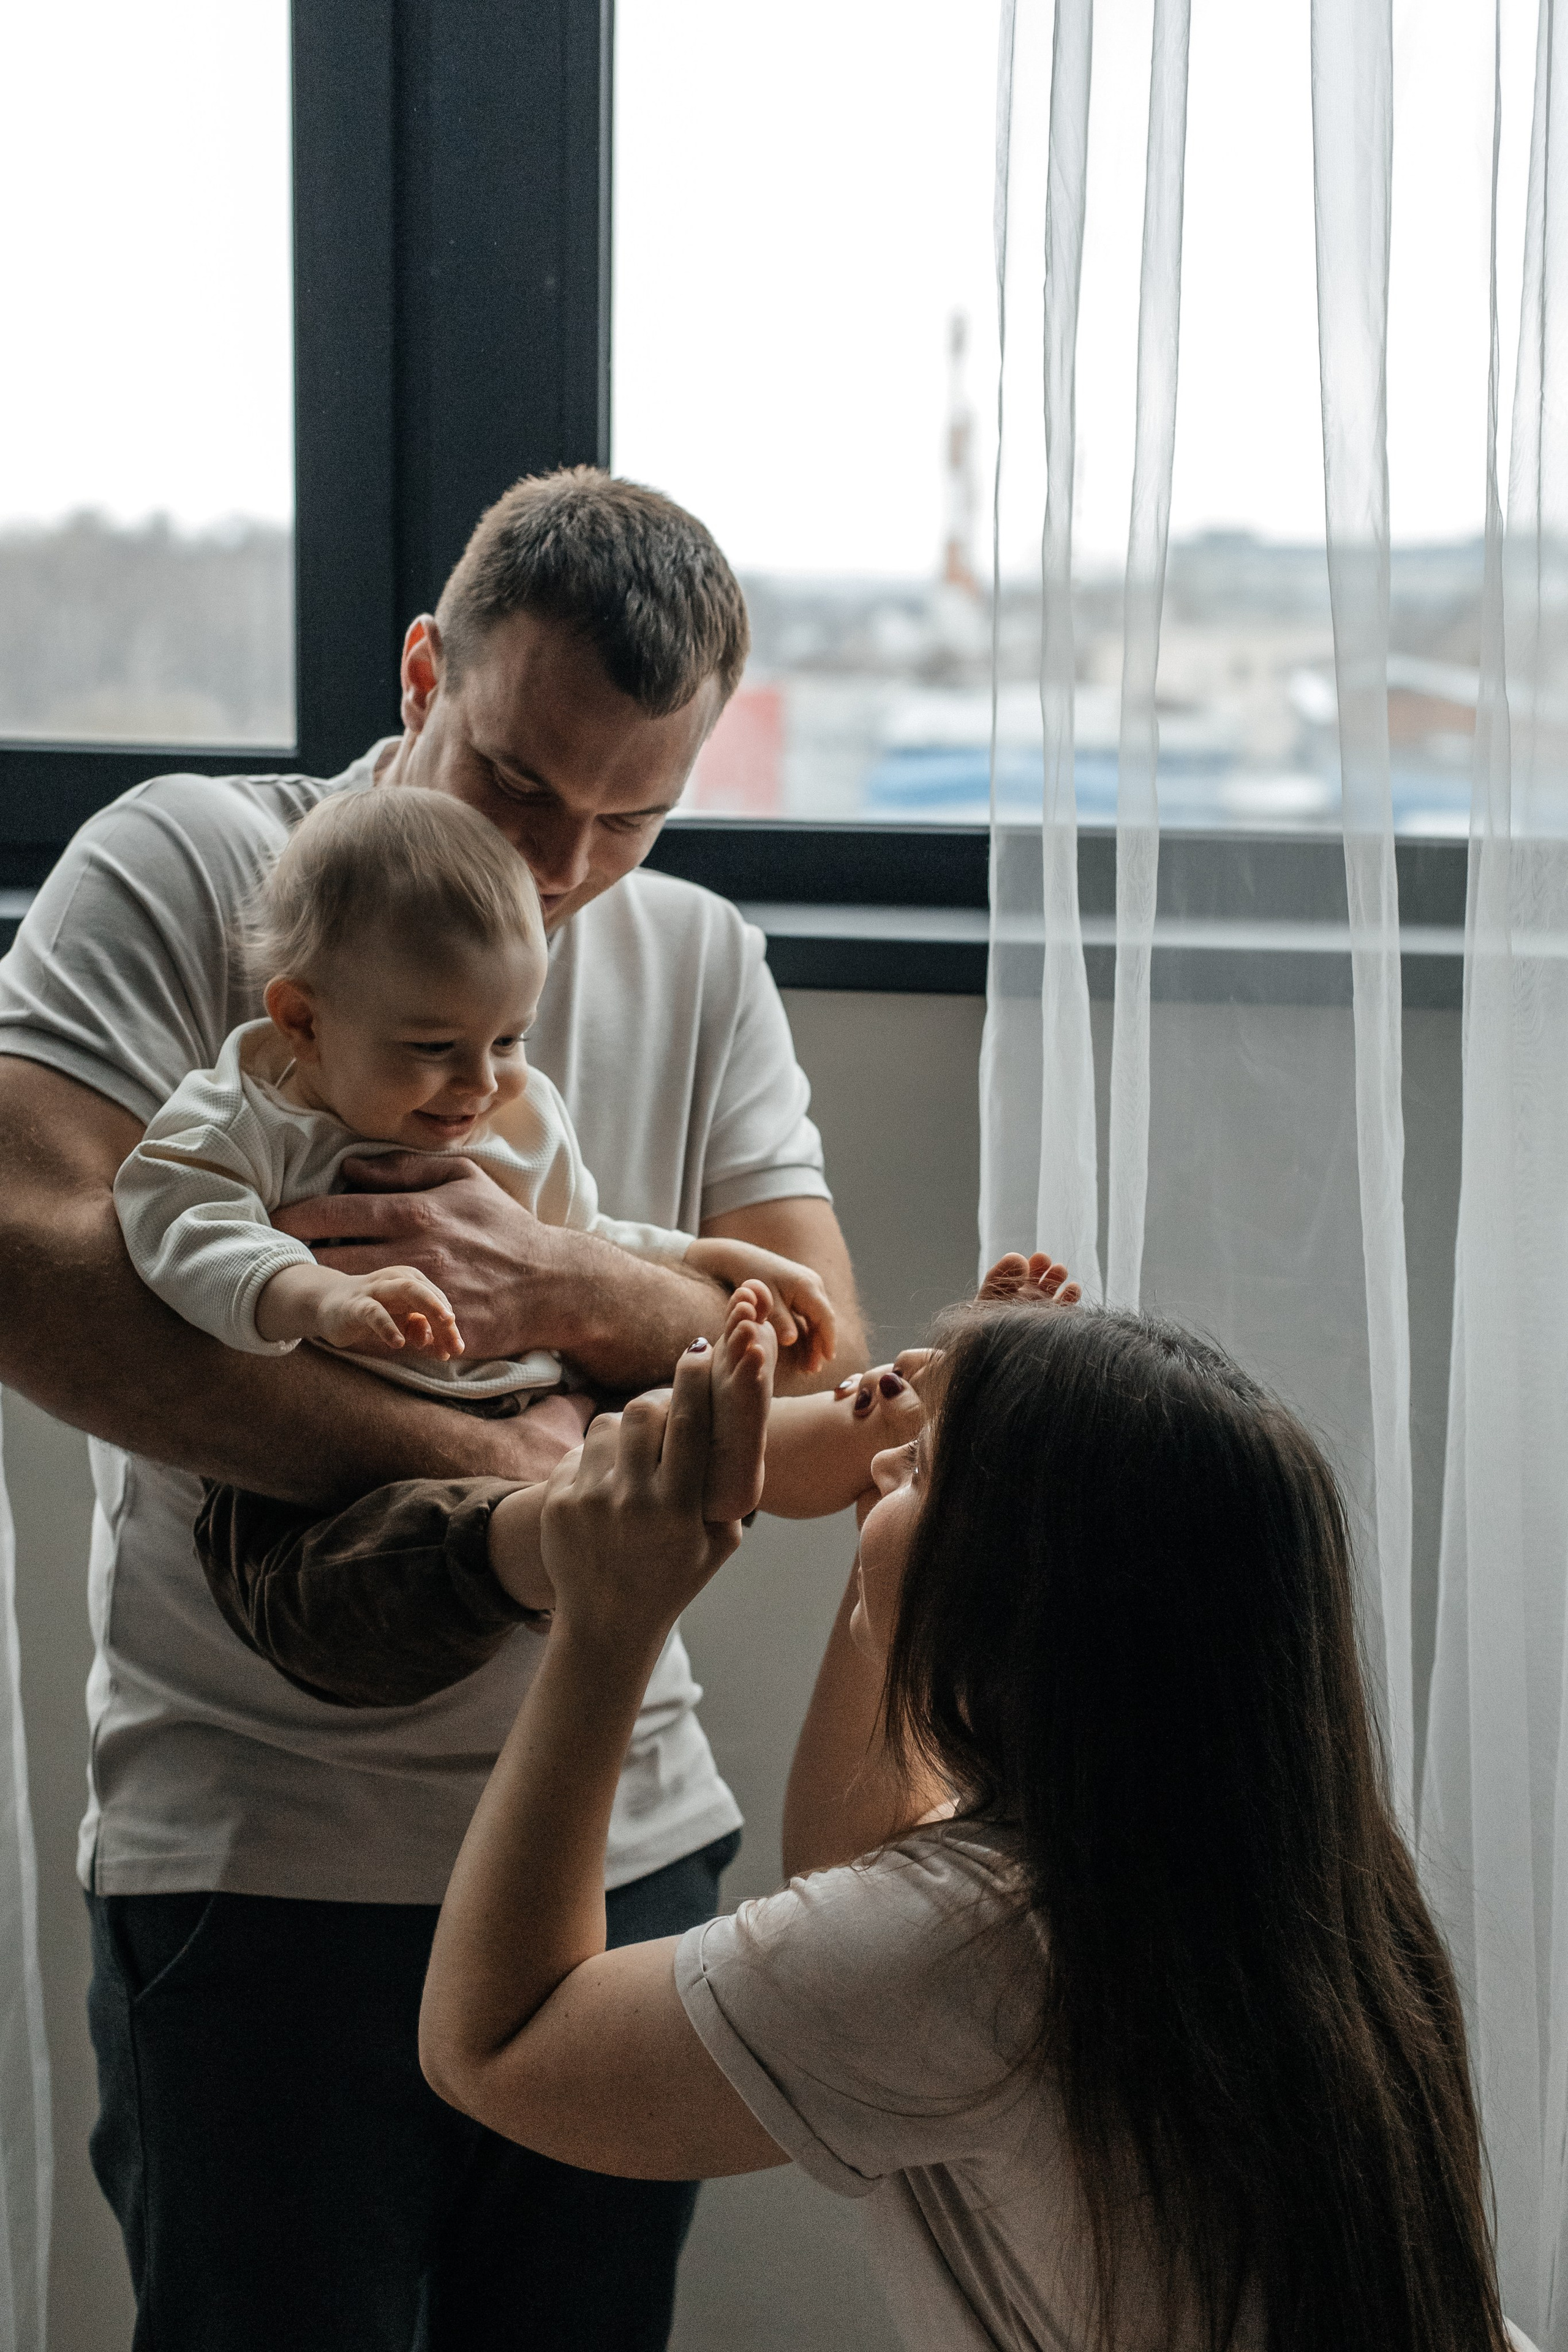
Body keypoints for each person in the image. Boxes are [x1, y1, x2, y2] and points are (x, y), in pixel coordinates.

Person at [0, 466, 867, 2351]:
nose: (562, 871)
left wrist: (568, 1287)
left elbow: (817, 1425)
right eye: (518, 788)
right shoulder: (188, 867)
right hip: (264, 1864)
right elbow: (24, 1261)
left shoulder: (702, 957)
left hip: (625, 1859)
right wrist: (509, 1478)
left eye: (631, 816)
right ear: (421, 674)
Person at [420, 1272, 1514, 2352]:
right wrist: (925, 1514)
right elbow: (856, 1864)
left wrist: (611, 1622)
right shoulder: (1284, 1875)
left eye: (924, 1470)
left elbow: (498, 2051)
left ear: (1017, 1589)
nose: (883, 1457)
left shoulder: (983, 1949)